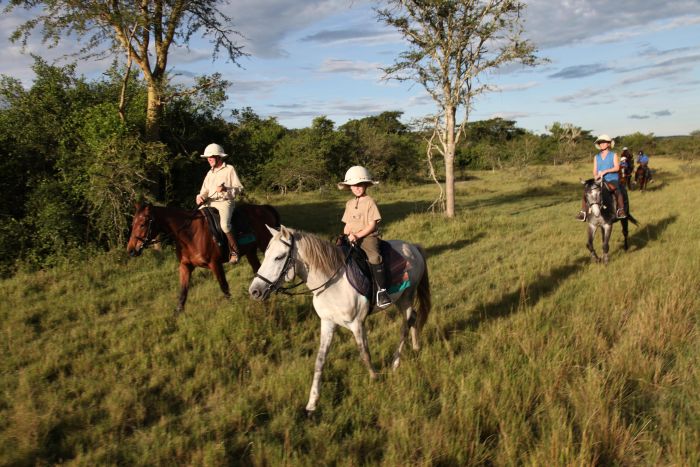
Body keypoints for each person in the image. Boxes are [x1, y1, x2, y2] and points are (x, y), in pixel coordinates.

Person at [338, 166, 391, 308]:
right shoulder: (349, 204)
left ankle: (382, 291)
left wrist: (357, 235)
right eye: (353, 185)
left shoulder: (370, 202)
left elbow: (372, 225)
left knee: (374, 257)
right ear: (349, 187)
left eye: (360, 185)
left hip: (367, 237)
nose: (357, 188)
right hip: (352, 237)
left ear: (366, 185)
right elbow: (348, 224)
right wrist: (345, 234)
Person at [195, 143, 244, 263]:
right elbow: (204, 191)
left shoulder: (229, 169)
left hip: (224, 202)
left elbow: (239, 188)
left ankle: (234, 252)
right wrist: (200, 197)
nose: (209, 159)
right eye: (207, 157)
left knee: (225, 225)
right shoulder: (209, 173)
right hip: (209, 203)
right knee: (195, 219)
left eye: (211, 157)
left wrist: (225, 189)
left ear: (219, 157)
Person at [575, 134, 626, 221]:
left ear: (608, 144)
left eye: (604, 142)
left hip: (611, 179)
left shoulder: (613, 155)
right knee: (586, 191)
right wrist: (596, 176)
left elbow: (617, 168)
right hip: (599, 179)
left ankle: (621, 210)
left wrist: (605, 171)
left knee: (617, 191)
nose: (602, 144)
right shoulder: (596, 157)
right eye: (600, 143)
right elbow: (595, 170)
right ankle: (583, 212)